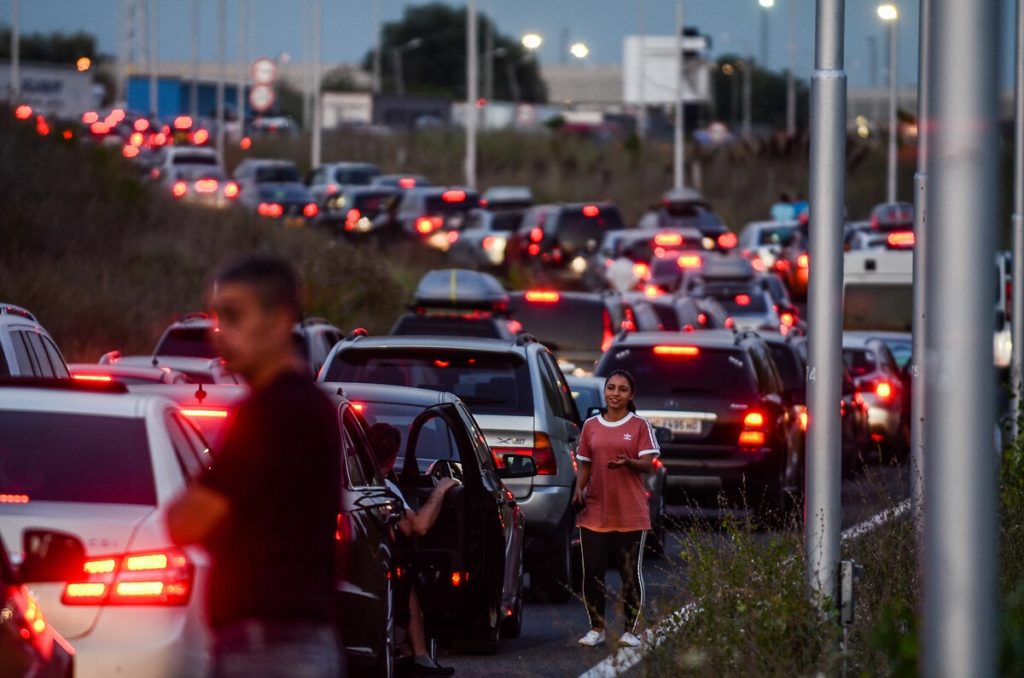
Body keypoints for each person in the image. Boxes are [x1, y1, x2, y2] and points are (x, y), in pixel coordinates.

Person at [166, 255, 343, 678]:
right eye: (215, 316)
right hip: (292, 642)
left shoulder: (272, 413)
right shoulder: (308, 405)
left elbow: (186, 521)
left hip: (270, 648)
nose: (218, 332)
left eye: (233, 315)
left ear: (280, 321)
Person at [572, 370, 660, 649]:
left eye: (622, 389)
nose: (615, 394)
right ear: (605, 391)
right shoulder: (590, 426)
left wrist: (629, 463)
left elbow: (649, 464)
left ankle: (630, 631)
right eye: (611, 388)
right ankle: (595, 628)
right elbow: (585, 463)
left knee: (628, 572)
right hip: (596, 508)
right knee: (593, 572)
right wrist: (578, 488)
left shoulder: (639, 426)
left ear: (630, 395)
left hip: (630, 511)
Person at [367, 422, 459, 677]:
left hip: (370, 558)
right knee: (408, 574)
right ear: (394, 457)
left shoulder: (358, 481)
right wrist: (441, 490)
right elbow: (417, 527)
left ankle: (415, 654)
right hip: (381, 561)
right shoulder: (385, 487)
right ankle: (418, 656)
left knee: (406, 579)